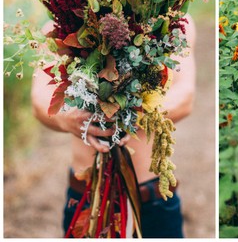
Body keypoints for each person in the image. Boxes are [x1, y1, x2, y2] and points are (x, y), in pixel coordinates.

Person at [31, 15, 197, 238]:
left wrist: (135, 116)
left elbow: (185, 98)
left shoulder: (174, 21)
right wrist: (69, 118)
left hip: (152, 199)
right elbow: (39, 100)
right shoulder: (58, 27)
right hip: (86, 197)